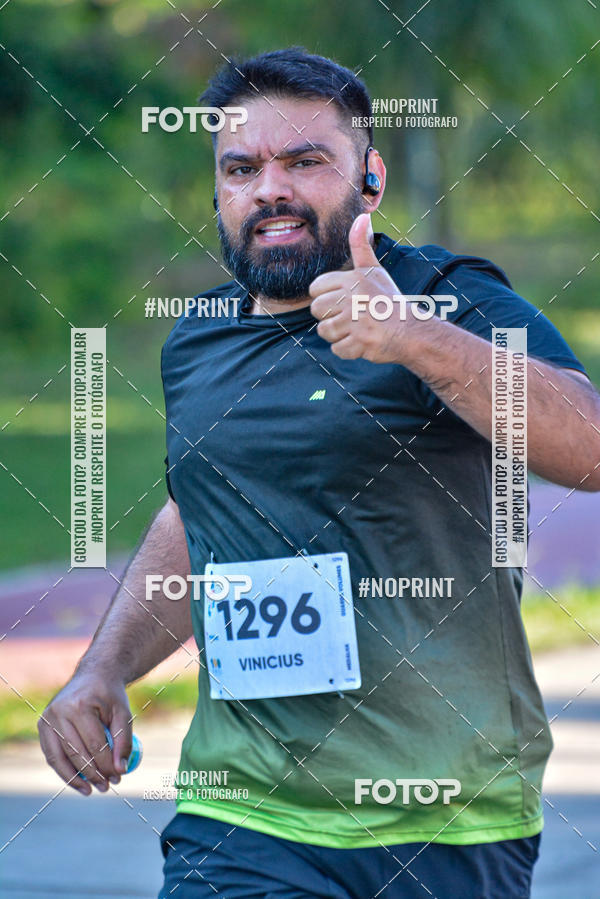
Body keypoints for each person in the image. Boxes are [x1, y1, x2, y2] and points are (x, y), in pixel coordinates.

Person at [39, 47, 600, 898]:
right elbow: (205, 511)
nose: (271, 188)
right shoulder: (198, 340)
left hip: (447, 813)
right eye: (242, 167)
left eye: (305, 161)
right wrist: (103, 668)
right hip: (245, 816)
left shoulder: (448, 297)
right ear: (220, 193)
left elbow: (590, 447)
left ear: (368, 179)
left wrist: (416, 339)